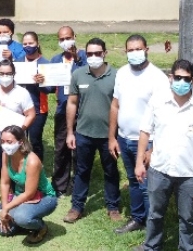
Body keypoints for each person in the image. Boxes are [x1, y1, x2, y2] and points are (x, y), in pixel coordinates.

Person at [136, 59, 193, 251]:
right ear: (170, 77)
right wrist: (139, 162)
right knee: (155, 214)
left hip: (189, 174)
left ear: (192, 80)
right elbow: (145, 132)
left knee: (188, 218)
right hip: (159, 169)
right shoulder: (158, 101)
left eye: (187, 79)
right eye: (178, 77)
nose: (181, 82)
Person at [108, 34, 170, 235]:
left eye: (138, 49)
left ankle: (152, 229)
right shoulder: (122, 73)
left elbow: (164, 116)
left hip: (146, 141)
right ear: (125, 52)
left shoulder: (157, 78)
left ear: (147, 50)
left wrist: (154, 147)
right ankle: (137, 218)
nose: (135, 53)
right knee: (133, 180)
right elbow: (115, 106)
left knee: (146, 186)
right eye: (131, 50)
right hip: (124, 139)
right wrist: (112, 137)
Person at [64, 38, 120, 223]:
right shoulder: (78, 75)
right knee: (81, 170)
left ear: (105, 53)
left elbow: (121, 106)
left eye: (97, 53)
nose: (94, 57)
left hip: (108, 136)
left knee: (110, 171)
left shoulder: (117, 76)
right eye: (89, 54)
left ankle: (113, 207)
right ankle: (77, 206)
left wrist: (115, 136)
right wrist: (70, 132)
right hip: (83, 133)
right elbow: (72, 103)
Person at [0, 125, 57, 244]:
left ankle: (41, 227)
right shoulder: (5, 155)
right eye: (2, 141)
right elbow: (4, 183)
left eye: (9, 142)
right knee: (2, 229)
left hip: (44, 197)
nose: (5, 145)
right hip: (20, 196)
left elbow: (29, 193)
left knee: (22, 218)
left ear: (20, 142)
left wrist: (8, 208)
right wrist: (4, 208)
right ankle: (23, 222)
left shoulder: (32, 161)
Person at [0, 59, 36, 171]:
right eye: (2, 73)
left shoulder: (22, 93)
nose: (5, 76)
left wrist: (19, 131)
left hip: (15, 142)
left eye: (8, 73)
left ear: (14, 74)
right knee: (1, 169)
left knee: (17, 171)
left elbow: (31, 114)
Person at [50, 26, 87, 196]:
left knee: (79, 150)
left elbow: (90, 74)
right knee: (61, 148)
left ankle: (78, 184)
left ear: (74, 36)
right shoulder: (56, 60)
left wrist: (77, 58)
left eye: (68, 38)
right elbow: (49, 88)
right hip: (63, 110)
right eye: (61, 39)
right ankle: (60, 185)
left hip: (83, 109)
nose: (65, 42)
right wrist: (42, 81)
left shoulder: (85, 57)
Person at [16, 31, 52, 159]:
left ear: (37, 44)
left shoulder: (45, 63)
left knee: (35, 140)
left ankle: (37, 169)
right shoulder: (18, 62)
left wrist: (41, 83)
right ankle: (20, 167)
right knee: (19, 139)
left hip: (38, 109)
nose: (28, 46)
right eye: (25, 43)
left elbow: (50, 89)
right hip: (19, 108)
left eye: (31, 43)